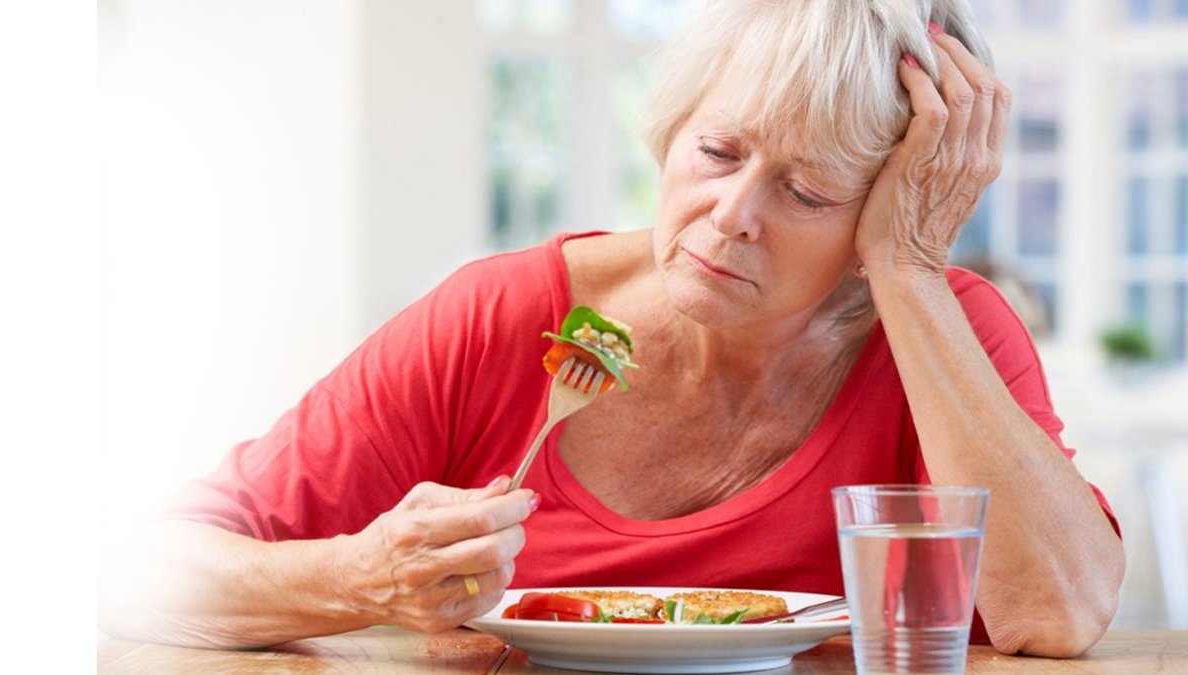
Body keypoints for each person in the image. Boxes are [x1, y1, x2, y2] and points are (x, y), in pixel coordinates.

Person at [99, 0, 1124, 657]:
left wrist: (908, 268)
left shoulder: (939, 333)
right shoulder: (508, 318)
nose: (731, 215)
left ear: (889, 210)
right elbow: (141, 576)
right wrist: (358, 578)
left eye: (808, 192)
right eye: (717, 151)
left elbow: (1055, 615)